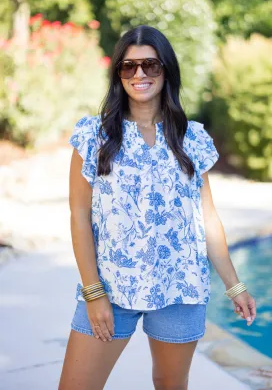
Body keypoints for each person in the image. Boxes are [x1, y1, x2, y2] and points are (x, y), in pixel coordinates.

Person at [58, 25, 256, 390]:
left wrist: (234, 285)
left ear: (166, 70)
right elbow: (80, 217)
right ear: (118, 74)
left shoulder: (191, 137)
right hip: (111, 288)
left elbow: (207, 219)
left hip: (180, 288)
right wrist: (93, 291)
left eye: (150, 65)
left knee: (170, 384)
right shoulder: (93, 136)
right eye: (128, 66)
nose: (139, 75)